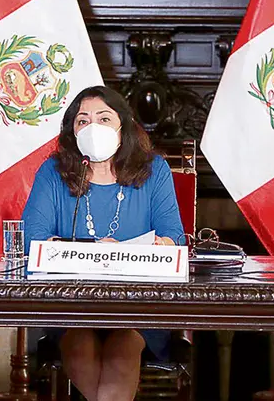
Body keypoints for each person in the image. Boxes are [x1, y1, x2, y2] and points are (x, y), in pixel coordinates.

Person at [22, 85, 184, 401]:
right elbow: (33, 239)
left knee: (122, 349)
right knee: (79, 345)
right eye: (83, 120)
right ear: (72, 131)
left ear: (123, 127)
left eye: (104, 119)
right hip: (71, 307)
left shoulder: (154, 170)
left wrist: (143, 249)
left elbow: (174, 238)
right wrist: (92, 250)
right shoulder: (53, 172)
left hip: (139, 309)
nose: (92, 127)